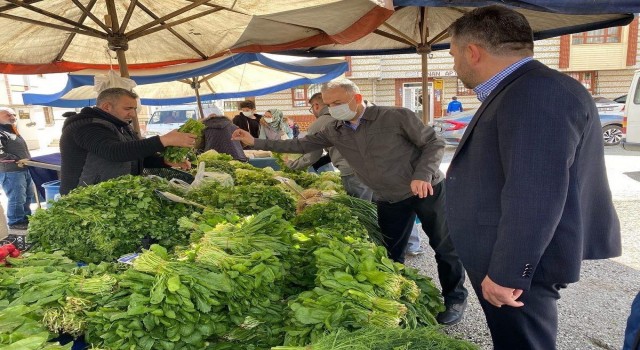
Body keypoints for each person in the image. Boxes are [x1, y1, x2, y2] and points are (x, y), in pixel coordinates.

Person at [445, 6, 621, 349]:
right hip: (507, 253)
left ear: (472, 51)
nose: (454, 65)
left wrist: (509, 271)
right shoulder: (524, 88)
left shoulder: (537, 92)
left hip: (517, 262)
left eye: (453, 55)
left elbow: (535, 193)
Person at [233, 78, 468, 325]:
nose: (333, 108)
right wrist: (255, 142)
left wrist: (422, 174)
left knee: (444, 247)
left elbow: (433, 142)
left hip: (426, 189)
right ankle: (401, 298)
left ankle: (455, 298)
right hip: (388, 197)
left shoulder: (395, 116)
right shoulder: (336, 129)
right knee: (390, 252)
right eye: (329, 104)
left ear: (356, 98)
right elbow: (300, 143)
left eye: (338, 102)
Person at [59, 88, 197, 195]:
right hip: (83, 197)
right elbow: (114, 152)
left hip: (112, 193)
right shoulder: (86, 126)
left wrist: (164, 161)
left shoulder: (122, 126)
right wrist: (163, 140)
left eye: (134, 109)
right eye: (128, 108)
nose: (133, 114)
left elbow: (135, 156)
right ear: (107, 107)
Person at [287, 92, 372, 200]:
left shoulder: (319, 124)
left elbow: (311, 155)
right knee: (374, 205)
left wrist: (292, 164)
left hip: (353, 171)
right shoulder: (351, 115)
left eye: (311, 108)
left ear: (316, 105)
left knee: (361, 208)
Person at [0, 107, 35, 230]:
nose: (12, 117)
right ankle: (15, 222)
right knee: (16, 197)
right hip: (11, 171)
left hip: (23, 169)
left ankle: (25, 218)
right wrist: (16, 159)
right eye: (8, 115)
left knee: (28, 195)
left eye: (14, 114)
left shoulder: (11, 130)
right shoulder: (1, 132)